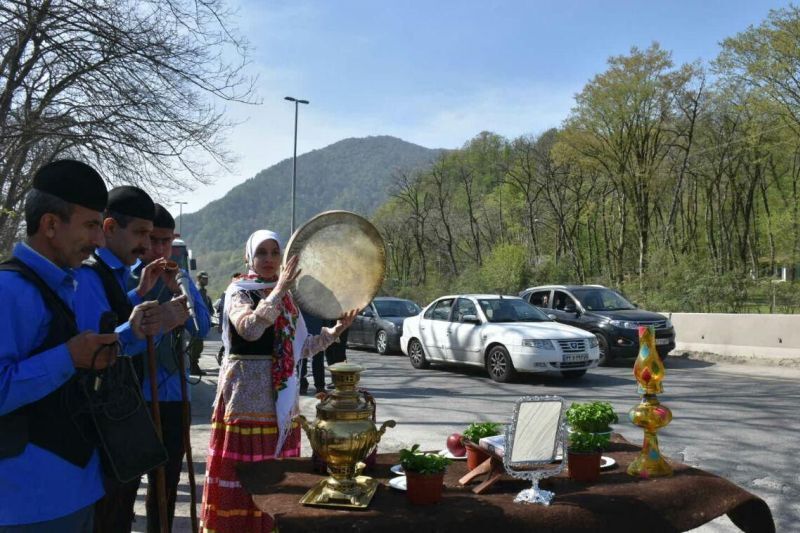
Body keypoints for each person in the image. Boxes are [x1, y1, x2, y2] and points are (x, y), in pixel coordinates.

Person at [200, 230, 356, 532]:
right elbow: (249, 329)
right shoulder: (239, 292)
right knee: (247, 476)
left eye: (275, 252)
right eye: (262, 253)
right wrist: (280, 289)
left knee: (278, 479)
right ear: (250, 257)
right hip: (246, 401)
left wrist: (335, 331)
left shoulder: (285, 298)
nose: (270, 259)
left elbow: (302, 348)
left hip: (281, 404)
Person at [0, 160, 120, 531]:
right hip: (28, 503)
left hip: (78, 488)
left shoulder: (72, 285)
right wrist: (69, 357)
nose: (99, 240)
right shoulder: (8, 291)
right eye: (89, 226)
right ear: (51, 225)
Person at [73, 186, 189, 532]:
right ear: (110, 228)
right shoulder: (87, 275)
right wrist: (142, 327)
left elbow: (112, 316)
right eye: (141, 233)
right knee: (108, 514)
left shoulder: (124, 275)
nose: (147, 244)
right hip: (100, 422)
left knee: (120, 510)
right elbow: (94, 347)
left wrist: (139, 295)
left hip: (124, 412)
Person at [124, 204, 210, 532]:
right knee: (128, 482)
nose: (160, 250)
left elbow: (202, 328)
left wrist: (177, 290)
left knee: (168, 482)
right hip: (134, 396)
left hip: (175, 395)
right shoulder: (128, 278)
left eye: (167, 242)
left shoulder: (182, 278)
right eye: (154, 241)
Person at [188, 271, 213, 375]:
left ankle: (193, 365)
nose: (206, 280)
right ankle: (193, 366)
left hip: (202, 321)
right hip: (197, 321)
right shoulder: (196, 290)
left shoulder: (202, 291)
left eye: (207, 278)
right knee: (196, 346)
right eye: (204, 278)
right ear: (199, 279)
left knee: (198, 345)